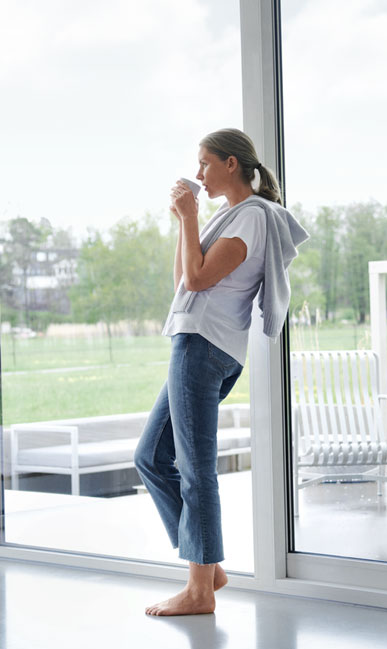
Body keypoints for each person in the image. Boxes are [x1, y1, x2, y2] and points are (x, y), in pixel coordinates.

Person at [134, 128, 308, 616]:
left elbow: (198, 279)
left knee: (195, 471)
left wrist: (190, 217)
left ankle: (199, 591)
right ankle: (206, 567)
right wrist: (184, 224)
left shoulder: (252, 217)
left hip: (203, 348)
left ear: (232, 164)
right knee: (150, 455)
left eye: (206, 163)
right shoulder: (227, 216)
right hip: (197, 342)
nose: (200, 174)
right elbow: (182, 284)